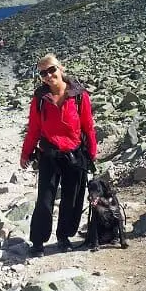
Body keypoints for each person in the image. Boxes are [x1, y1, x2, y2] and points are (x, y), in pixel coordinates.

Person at [20, 54, 97, 257]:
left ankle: (64, 237)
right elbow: (34, 129)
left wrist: (92, 152)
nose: (48, 75)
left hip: (75, 153)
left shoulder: (80, 96)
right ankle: (38, 242)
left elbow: (88, 126)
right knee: (45, 199)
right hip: (49, 154)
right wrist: (26, 153)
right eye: (43, 73)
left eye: (51, 70)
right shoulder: (40, 99)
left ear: (60, 68)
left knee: (72, 199)